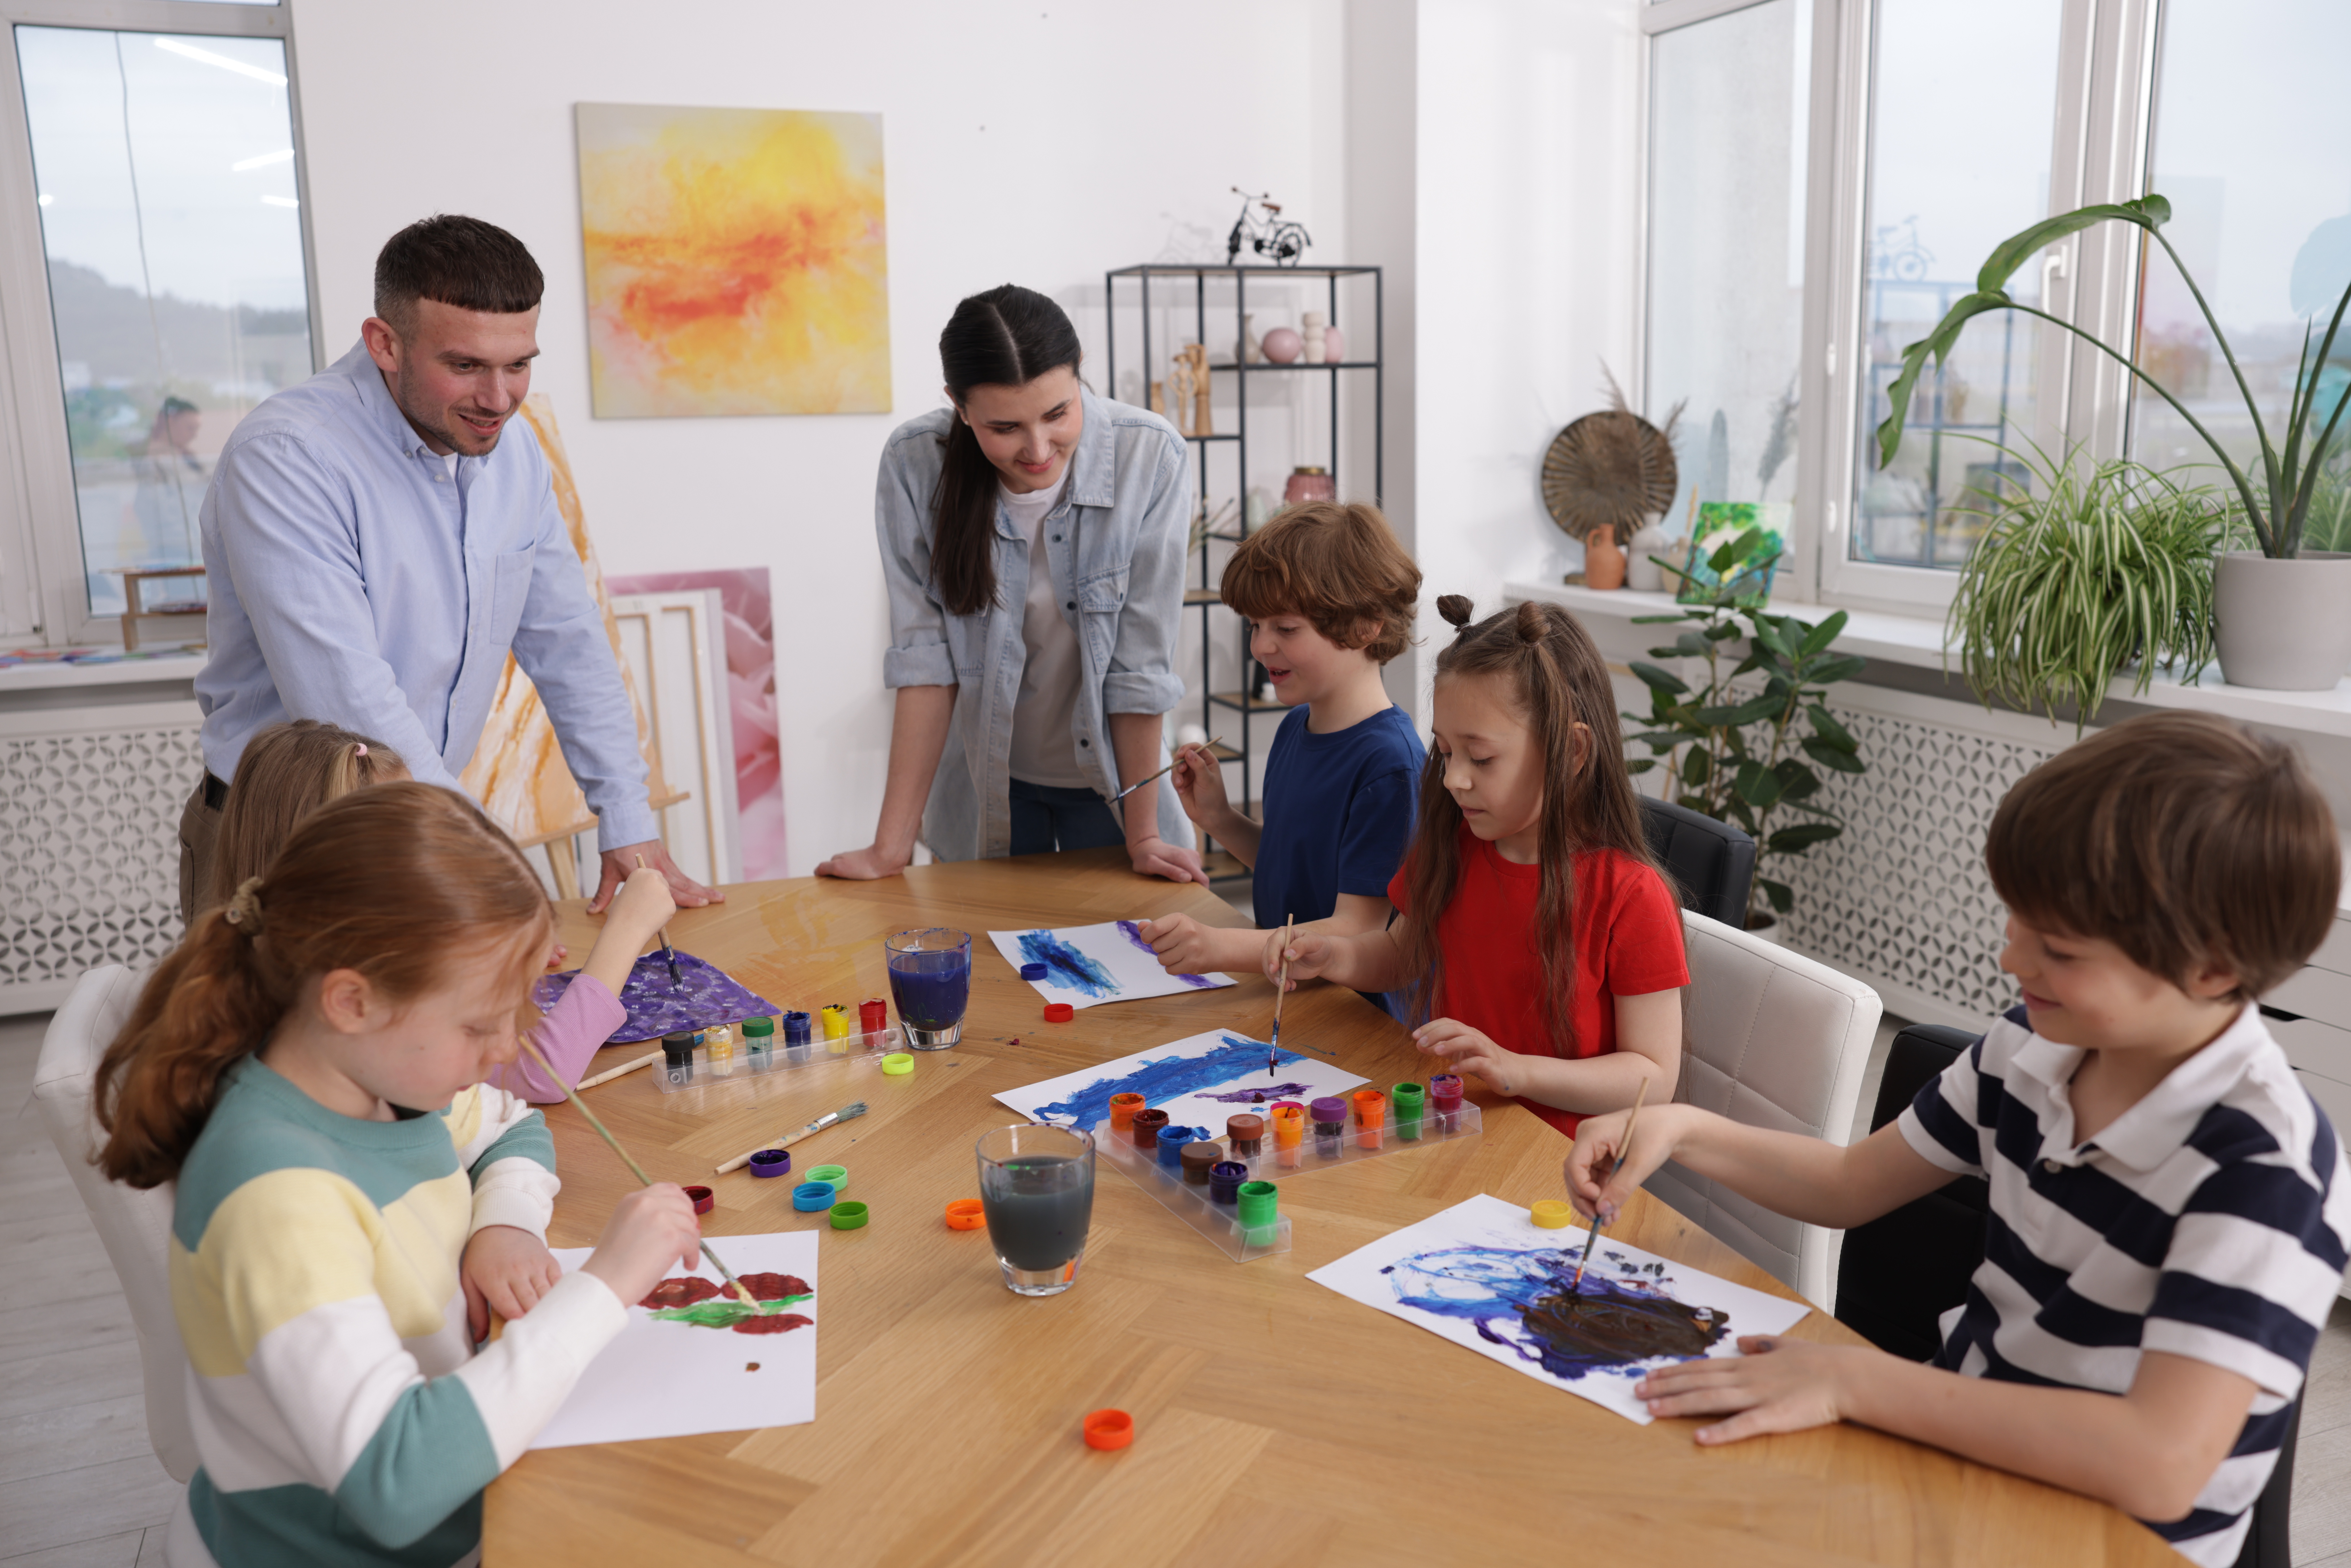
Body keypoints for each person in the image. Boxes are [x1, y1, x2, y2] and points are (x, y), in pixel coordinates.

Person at [1565, 712, 2351, 1568]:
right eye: (2017, 921)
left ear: (2212, 969)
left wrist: (1855, 1379)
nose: (2013, 959)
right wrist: (1679, 1127)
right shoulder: (2033, 1050)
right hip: (1958, 1461)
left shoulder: (2266, 1171)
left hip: (2104, 1536)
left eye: (2058, 947)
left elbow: (2158, 1465)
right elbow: (1847, 1184)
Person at [93, 782, 703, 1567]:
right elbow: (397, 1481)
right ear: (353, 1000)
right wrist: (603, 1288)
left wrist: (504, 1223)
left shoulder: (376, 1087)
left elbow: (512, 1126)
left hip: (481, 1501)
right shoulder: (276, 1200)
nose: (508, 1051)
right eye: (480, 1025)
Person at [187, 213, 715, 927]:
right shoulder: (287, 457)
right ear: (385, 344)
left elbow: (569, 639)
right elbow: (352, 710)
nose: (498, 399)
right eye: (465, 366)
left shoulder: (514, 453)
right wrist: (482, 865)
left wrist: (625, 814)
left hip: (421, 822)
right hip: (285, 835)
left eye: (519, 365)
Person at [818, 284, 1203, 884]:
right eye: (1005, 426)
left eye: (1058, 413)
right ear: (960, 406)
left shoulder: (1149, 455)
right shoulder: (916, 463)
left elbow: (1140, 665)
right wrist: (889, 848)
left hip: (1114, 784)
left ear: (1079, 376)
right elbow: (925, 663)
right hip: (986, 788)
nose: (1038, 449)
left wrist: (1145, 830)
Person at [1270, 596, 1686, 1134]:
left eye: (1481, 758)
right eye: (1445, 752)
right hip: (1455, 1130)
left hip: (1557, 1168)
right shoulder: (1454, 847)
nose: (1453, 779)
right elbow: (1403, 956)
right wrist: (1335, 956)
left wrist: (1517, 1071)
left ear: (1573, 754)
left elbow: (1654, 1079)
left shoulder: (1631, 897)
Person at [204, 717, 676, 1104]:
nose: (427, 856)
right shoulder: (362, 1004)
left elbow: (497, 1126)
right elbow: (540, 1072)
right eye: (406, 840)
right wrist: (627, 929)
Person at [1132, 501, 1423, 1006]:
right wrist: (1220, 819)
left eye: (1285, 629)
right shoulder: (1295, 727)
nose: (1261, 647)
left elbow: (1356, 926)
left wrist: (1218, 946)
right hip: (1291, 996)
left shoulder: (1390, 766)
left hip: (1354, 1018)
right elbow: (1291, 864)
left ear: (1366, 626)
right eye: (1254, 626)